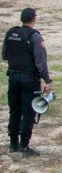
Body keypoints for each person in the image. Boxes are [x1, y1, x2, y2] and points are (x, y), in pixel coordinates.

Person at [4, 8, 50, 155]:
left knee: (14, 111)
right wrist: (47, 80)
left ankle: (13, 144)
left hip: (13, 77)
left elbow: (4, 55)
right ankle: (24, 146)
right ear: (34, 19)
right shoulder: (35, 37)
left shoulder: (11, 33)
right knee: (29, 112)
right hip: (29, 79)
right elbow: (40, 62)